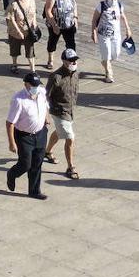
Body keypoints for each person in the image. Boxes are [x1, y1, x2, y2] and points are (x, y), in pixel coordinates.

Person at [5, 72, 51, 201]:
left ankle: (34, 191)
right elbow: (10, 123)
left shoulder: (41, 92)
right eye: (33, 85)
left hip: (41, 133)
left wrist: (46, 118)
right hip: (24, 136)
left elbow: (45, 106)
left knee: (37, 163)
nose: (36, 87)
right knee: (25, 164)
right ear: (26, 84)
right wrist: (12, 143)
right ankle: (12, 173)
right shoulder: (18, 100)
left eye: (37, 85)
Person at [44, 48, 80, 180]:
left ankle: (47, 152)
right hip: (59, 111)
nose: (74, 62)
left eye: (75, 59)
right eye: (71, 60)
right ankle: (70, 167)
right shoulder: (55, 77)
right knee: (70, 138)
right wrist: (46, 114)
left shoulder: (75, 74)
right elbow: (45, 96)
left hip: (70, 111)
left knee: (60, 132)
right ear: (64, 61)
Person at [91, 0, 132, 84]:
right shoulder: (101, 6)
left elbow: (123, 16)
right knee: (107, 53)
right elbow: (94, 20)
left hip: (116, 35)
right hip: (104, 35)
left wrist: (128, 28)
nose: (113, 1)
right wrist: (94, 32)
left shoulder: (119, 5)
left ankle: (105, 62)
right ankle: (108, 73)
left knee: (116, 54)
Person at [43, 0, 77, 71]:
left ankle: (71, 61)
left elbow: (74, 4)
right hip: (56, 24)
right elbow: (48, 11)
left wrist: (75, 18)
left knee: (71, 44)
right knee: (53, 42)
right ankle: (50, 59)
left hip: (69, 24)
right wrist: (54, 25)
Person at [6, 0, 38, 75]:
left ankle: (32, 70)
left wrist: (35, 23)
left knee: (30, 50)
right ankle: (14, 65)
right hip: (15, 31)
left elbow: (34, 12)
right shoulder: (13, 2)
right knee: (14, 49)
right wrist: (18, 32)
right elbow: (11, 19)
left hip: (28, 30)